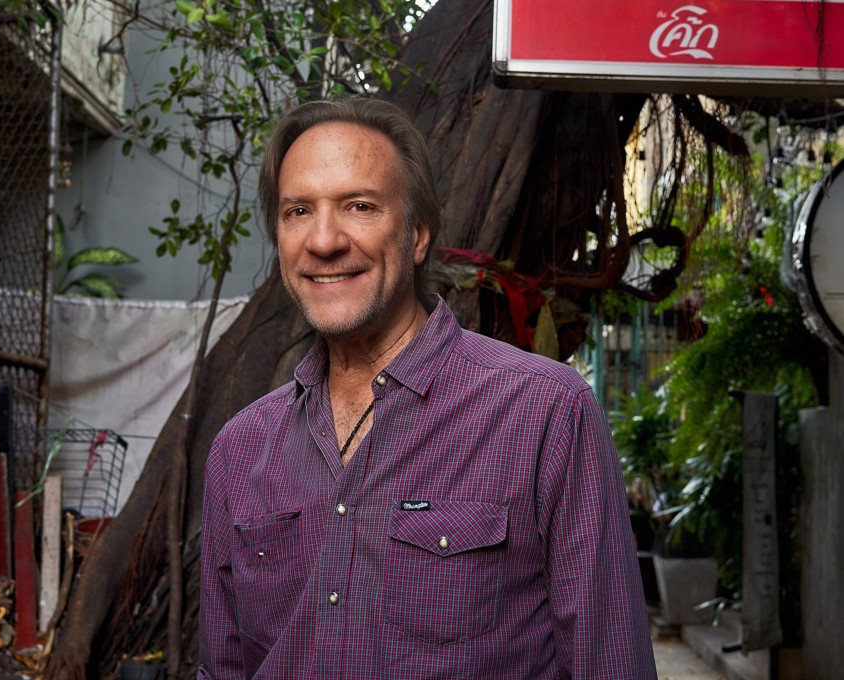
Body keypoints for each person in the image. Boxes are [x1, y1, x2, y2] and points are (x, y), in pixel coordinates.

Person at [198, 97, 656, 679]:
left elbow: (611, 663)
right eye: (297, 212)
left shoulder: (543, 412)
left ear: (416, 234)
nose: (324, 240)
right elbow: (222, 669)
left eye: (359, 206)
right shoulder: (240, 452)